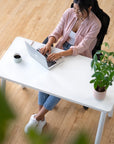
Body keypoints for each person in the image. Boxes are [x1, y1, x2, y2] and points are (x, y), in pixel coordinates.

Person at [24, 0, 101, 134]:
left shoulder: (96, 24)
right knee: (47, 77)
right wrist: (49, 43)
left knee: (61, 87)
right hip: (60, 50)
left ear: (89, 7)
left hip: (78, 57)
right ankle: (40, 118)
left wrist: (63, 54)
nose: (76, 14)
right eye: (75, 9)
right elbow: (57, 31)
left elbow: (83, 46)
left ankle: (37, 117)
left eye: (79, 11)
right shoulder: (69, 13)